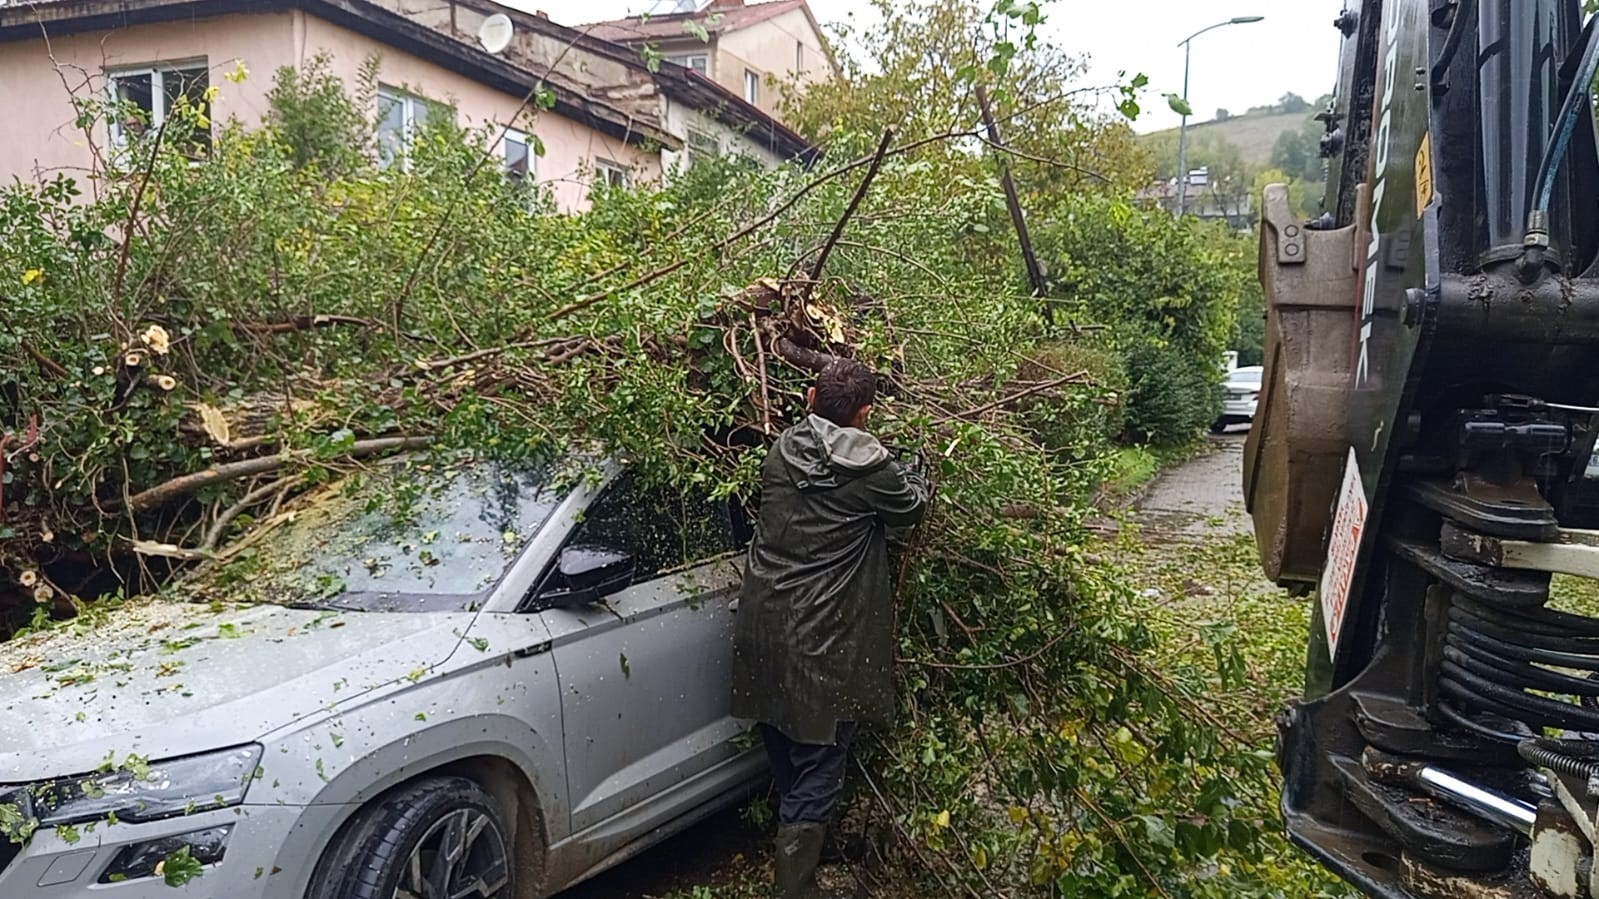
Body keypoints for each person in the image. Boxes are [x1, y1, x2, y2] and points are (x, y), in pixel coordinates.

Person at [731, 358, 931, 899]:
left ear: (809, 395)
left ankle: (806, 855)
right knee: (820, 762)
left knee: (785, 745)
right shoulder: (873, 471)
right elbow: (910, 508)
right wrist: (916, 470)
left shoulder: (780, 450)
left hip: (764, 628)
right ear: (865, 413)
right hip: (823, 644)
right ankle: (794, 890)